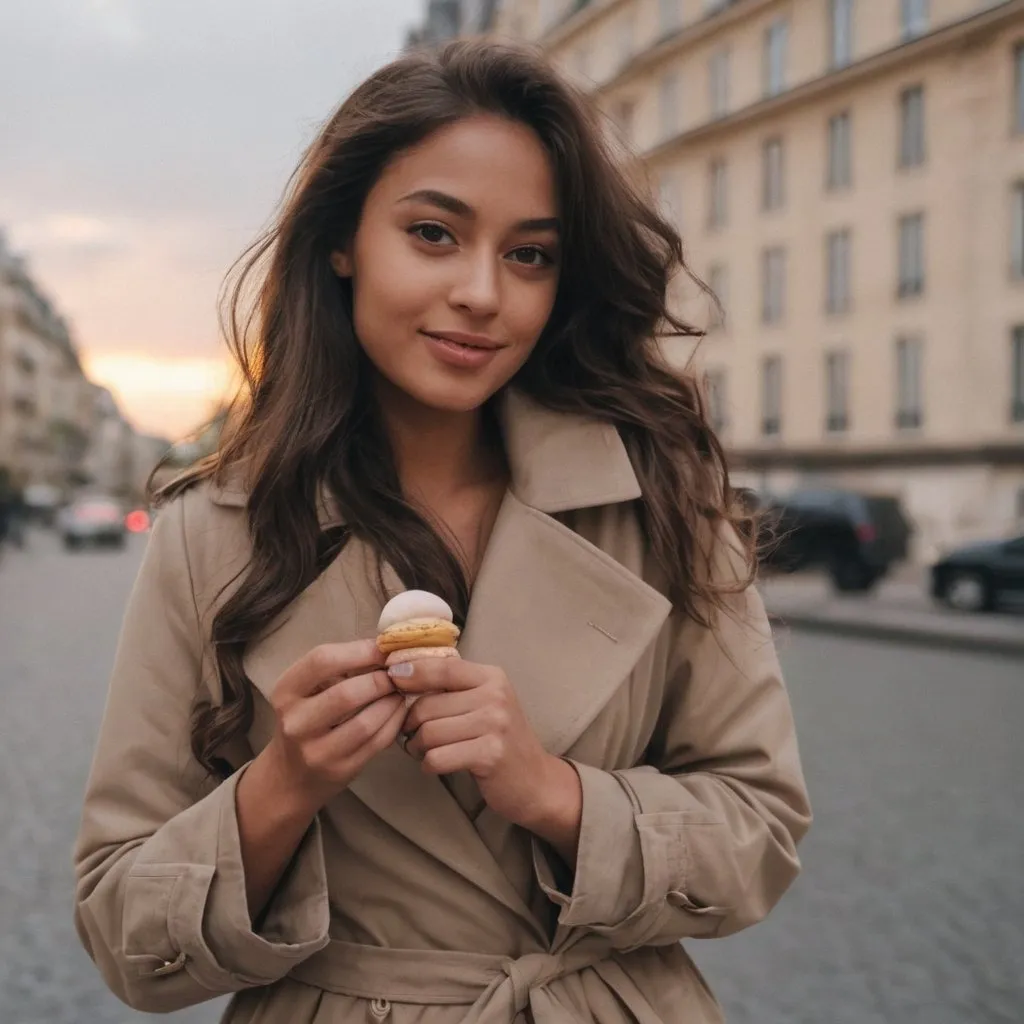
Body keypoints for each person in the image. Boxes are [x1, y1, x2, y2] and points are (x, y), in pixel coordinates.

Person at [73, 39, 811, 1024]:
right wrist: (281, 785)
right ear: (344, 240)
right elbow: (121, 923)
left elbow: (760, 834)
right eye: (432, 233)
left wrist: (555, 793)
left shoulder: (666, 500)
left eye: (529, 254)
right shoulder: (210, 534)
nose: (481, 291)